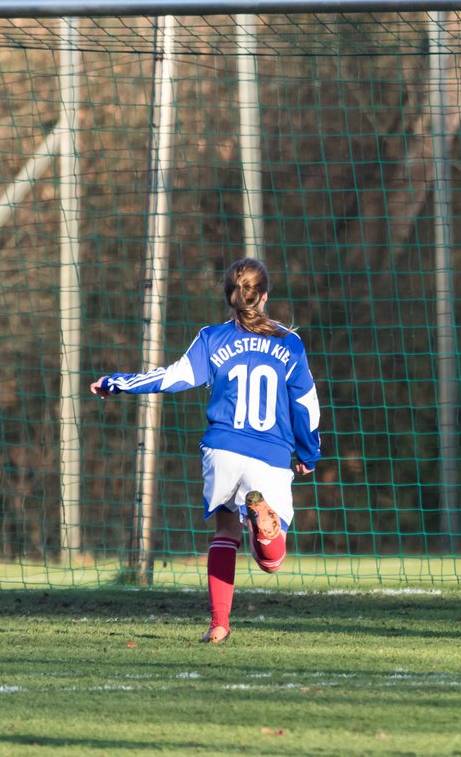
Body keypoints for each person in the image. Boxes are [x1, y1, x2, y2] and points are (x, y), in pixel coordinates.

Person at [90, 258, 321, 644]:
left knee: (225, 532)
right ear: (263, 295)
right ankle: (264, 524)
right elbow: (306, 406)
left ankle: (219, 623)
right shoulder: (289, 342)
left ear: (230, 297)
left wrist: (119, 383)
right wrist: (308, 454)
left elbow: (172, 378)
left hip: (222, 449)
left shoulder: (212, 338)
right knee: (272, 562)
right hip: (270, 452)